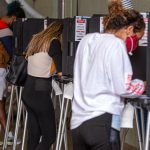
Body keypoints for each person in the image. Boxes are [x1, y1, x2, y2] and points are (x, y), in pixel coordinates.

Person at [71, 2, 145, 150]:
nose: (135, 43)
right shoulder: (116, 44)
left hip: (77, 124)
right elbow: (123, 87)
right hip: (102, 121)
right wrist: (143, 84)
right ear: (129, 29)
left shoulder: (86, 40)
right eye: (137, 38)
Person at [22, 21, 63, 150]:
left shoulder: (37, 39)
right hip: (40, 91)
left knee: (34, 133)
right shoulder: (54, 42)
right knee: (50, 136)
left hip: (28, 89)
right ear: (60, 33)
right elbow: (61, 71)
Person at [0, 0, 25, 145]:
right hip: (0, 69)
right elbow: (12, 51)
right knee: (0, 104)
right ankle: (9, 136)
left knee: (1, 103)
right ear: (15, 18)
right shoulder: (5, 30)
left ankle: (7, 135)